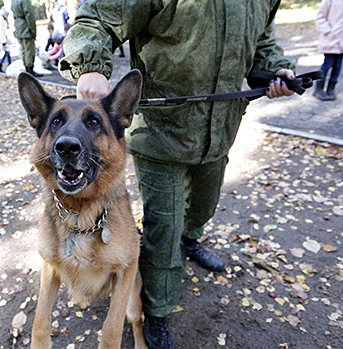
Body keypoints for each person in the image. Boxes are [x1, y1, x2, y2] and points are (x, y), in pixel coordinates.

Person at [59, 1, 295, 348]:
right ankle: (157, 311)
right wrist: (91, 66)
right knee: (163, 231)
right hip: (161, 133)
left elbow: (261, 41)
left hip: (220, 129)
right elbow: (98, 16)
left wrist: (276, 70)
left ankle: (192, 239)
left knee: (203, 206)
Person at [313, 0, 343, 101]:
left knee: (338, 66)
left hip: (341, 42)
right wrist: (329, 32)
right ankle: (318, 89)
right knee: (327, 64)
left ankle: (331, 89)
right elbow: (320, 16)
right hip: (331, 40)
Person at [11, 0, 42, 77]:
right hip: (25, 27)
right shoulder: (24, 1)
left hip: (19, 27)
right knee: (29, 50)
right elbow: (29, 14)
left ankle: (27, 68)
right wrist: (33, 29)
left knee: (24, 49)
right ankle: (30, 70)